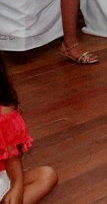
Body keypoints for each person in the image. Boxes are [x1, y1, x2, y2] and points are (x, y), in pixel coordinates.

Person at [0, 56, 58, 203]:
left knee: (47, 175)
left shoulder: (4, 112)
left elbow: (12, 155)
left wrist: (17, 186)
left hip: (2, 177)